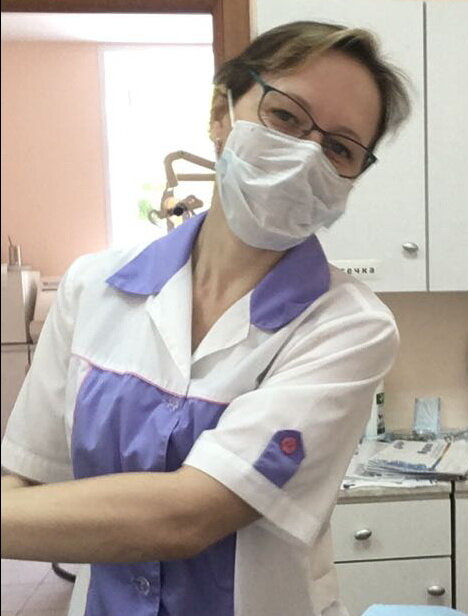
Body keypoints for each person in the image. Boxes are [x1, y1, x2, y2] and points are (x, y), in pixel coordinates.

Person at [1, 20, 410, 616]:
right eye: (286, 116)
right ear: (221, 114)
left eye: (339, 148)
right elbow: (28, 477)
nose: (305, 156)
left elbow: (189, 515)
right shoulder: (92, 287)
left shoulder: (348, 326)